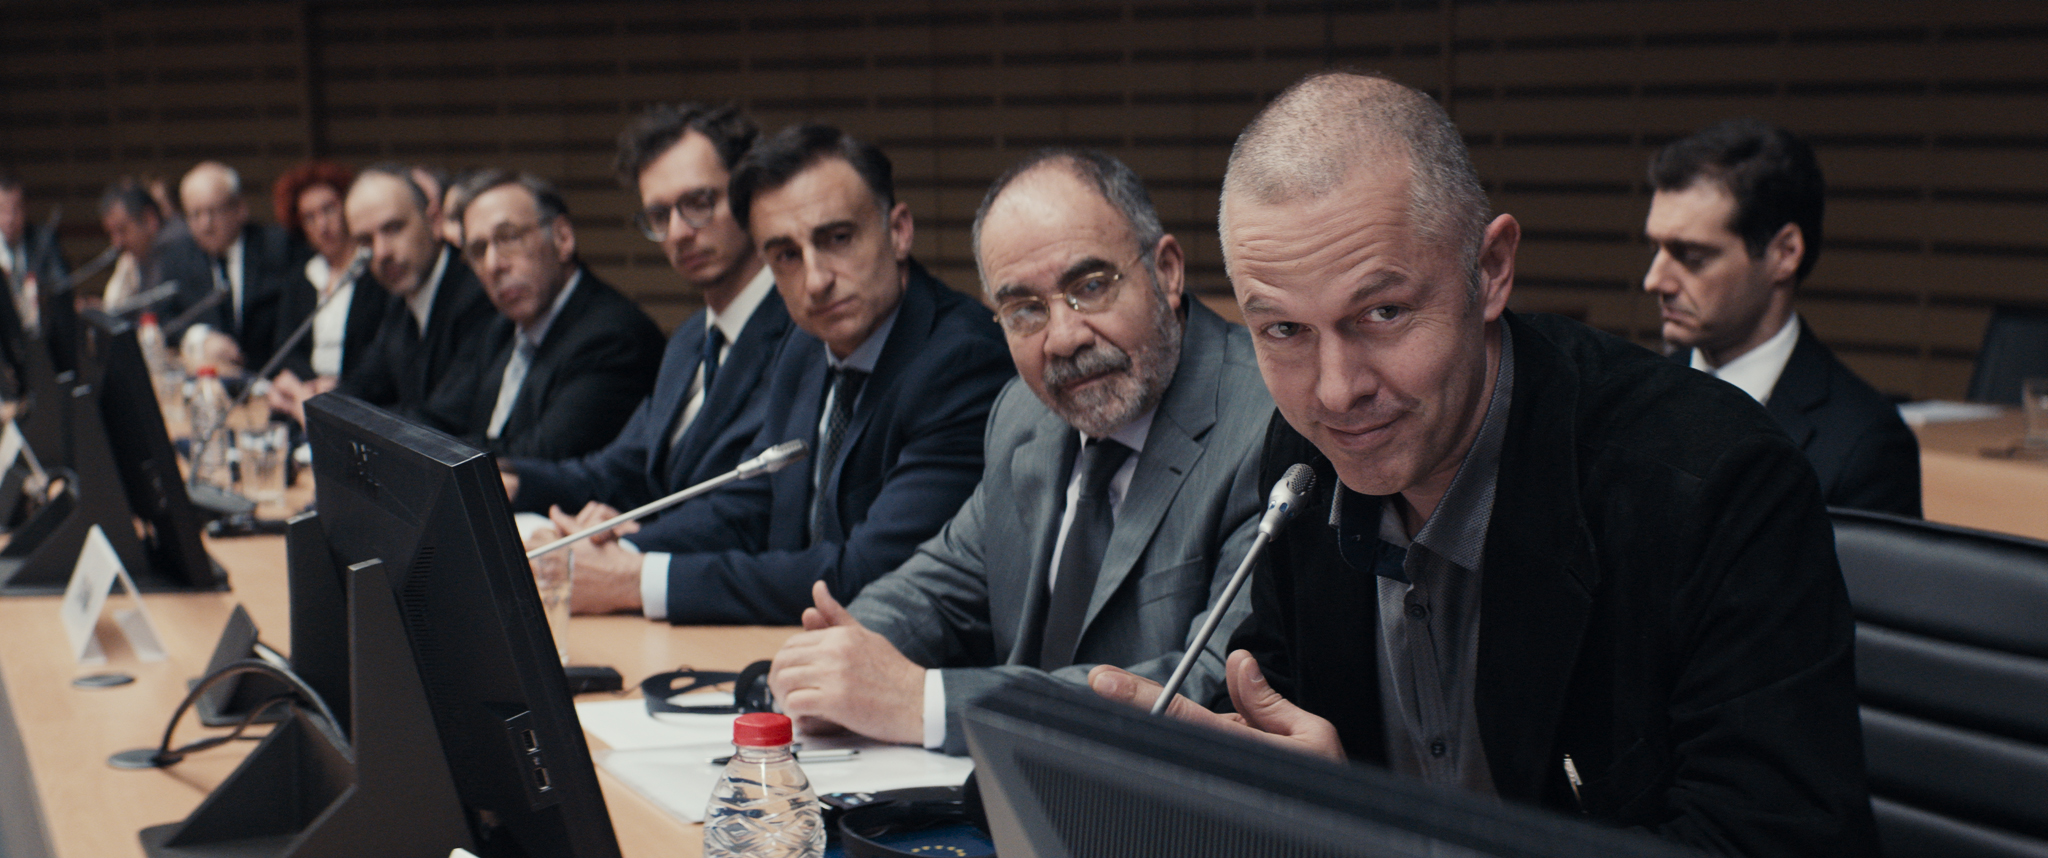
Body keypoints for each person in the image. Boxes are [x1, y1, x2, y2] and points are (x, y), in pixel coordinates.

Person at [1090, 72, 1879, 858]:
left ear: (1491, 269)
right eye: (1284, 331)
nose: (1335, 391)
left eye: (1383, 313)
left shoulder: (1717, 483)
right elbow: (1289, 723)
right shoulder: (1306, 458)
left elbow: (1773, 843)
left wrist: (1354, 832)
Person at [766, 150, 1270, 754]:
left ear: (1166, 272)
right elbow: (935, 588)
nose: (1063, 338)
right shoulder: (1023, 415)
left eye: (1091, 287)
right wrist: (834, 662)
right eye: (1025, 310)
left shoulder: (1267, 423)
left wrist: (924, 703)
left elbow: (1214, 685)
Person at [551, 123, 1013, 625]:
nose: (815, 281)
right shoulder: (805, 345)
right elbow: (750, 504)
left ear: (899, 231)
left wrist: (637, 581)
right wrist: (620, 549)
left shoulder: (961, 361)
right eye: (787, 255)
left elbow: (871, 573)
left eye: (838, 239)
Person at [503, 103, 797, 531]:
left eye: (698, 203)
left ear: (749, 195)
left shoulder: (802, 328)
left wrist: (628, 549)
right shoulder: (690, 338)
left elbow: (749, 508)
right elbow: (619, 470)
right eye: (660, 215)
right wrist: (514, 480)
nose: (678, 233)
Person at [1644, 119, 1920, 516]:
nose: (1655, 281)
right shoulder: (1638, 395)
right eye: (1655, 250)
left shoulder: (1865, 445)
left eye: (1692, 256)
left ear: (1785, 253)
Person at [429, 169, 664, 458]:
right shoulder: (500, 328)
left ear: (562, 238)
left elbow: (544, 454)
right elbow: (443, 417)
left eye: (509, 238)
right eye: (478, 250)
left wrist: (438, 454)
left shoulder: (613, 337)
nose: (493, 265)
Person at [282, 164, 495, 424]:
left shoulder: (476, 294)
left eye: (394, 228)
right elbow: (365, 384)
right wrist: (318, 404)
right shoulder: (400, 302)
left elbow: (443, 421)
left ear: (434, 221)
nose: (382, 252)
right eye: (366, 241)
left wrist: (333, 417)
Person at [152, 161, 303, 373]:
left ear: (240, 208)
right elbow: (162, 320)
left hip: (273, 377)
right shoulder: (177, 257)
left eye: (213, 211)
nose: (205, 225)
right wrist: (199, 338)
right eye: (195, 214)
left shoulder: (278, 248)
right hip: (211, 381)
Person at [265, 161, 389, 401]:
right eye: (309, 217)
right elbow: (287, 349)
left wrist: (340, 387)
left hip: (360, 398)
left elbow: (379, 354)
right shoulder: (301, 278)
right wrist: (312, 386)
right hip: (310, 394)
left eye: (329, 209)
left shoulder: (375, 271)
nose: (322, 225)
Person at [0, 171, 71, 330]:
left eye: (15, 210)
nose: (9, 219)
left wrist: (40, 292)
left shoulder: (43, 239)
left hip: (39, 330)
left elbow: (61, 284)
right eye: (2, 210)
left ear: (26, 208)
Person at [97, 180, 166, 313]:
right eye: (111, 233)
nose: (117, 243)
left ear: (149, 219)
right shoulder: (136, 260)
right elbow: (113, 308)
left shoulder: (177, 250)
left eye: (122, 230)